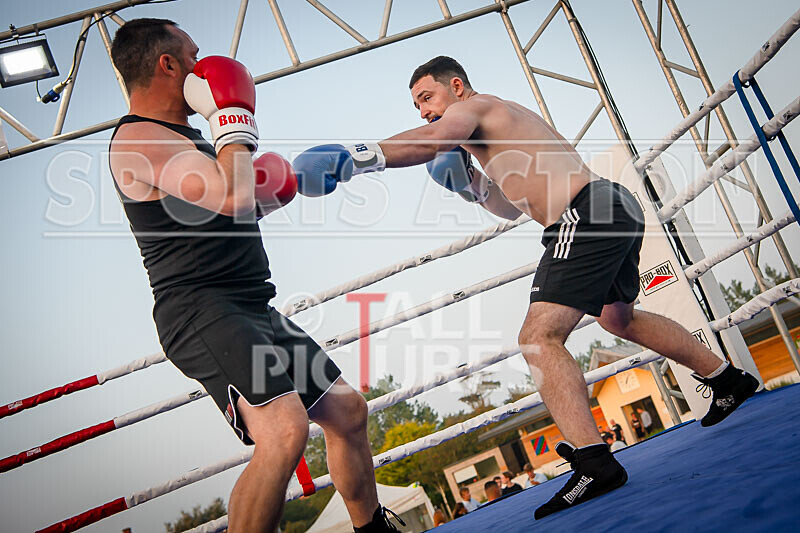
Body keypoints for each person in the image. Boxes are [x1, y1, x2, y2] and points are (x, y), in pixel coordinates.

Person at [291, 55, 760, 519]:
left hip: (585, 213)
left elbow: (432, 140)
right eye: (416, 107)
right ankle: (727, 380)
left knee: (538, 337)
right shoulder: (492, 132)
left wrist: (357, 157)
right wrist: (469, 186)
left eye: (426, 98)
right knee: (618, 317)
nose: (424, 112)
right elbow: (510, 207)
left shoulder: (474, 108)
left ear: (456, 86)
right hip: (611, 206)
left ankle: (593, 461)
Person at [108, 19, 399, 533]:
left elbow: (234, 208)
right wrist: (233, 122)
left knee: (347, 412)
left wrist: (285, 187)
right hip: (203, 311)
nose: (204, 64)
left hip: (249, 308)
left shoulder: (190, 140)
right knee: (284, 432)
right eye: (194, 55)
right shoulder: (138, 138)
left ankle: (372, 528)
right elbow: (231, 196)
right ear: (168, 64)